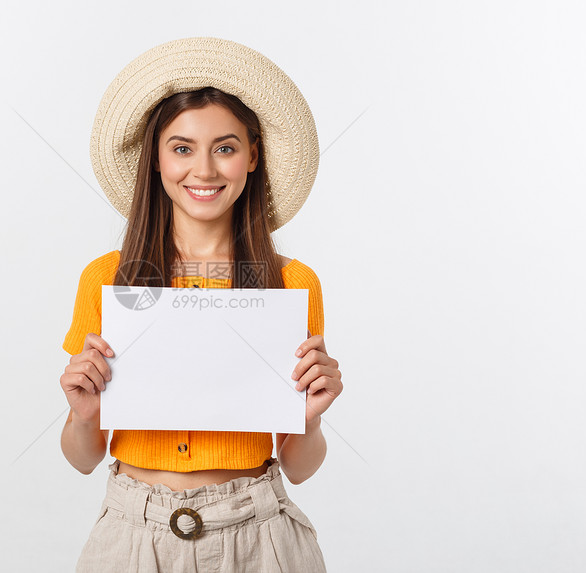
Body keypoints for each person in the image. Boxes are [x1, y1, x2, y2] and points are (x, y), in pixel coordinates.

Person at [60, 37, 343, 572]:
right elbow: (83, 458)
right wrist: (83, 415)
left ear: (252, 156)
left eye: (226, 147)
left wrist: (309, 419)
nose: (205, 171)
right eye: (183, 147)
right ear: (158, 158)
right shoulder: (107, 279)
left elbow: (300, 467)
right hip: (133, 533)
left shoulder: (290, 283)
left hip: (259, 535)